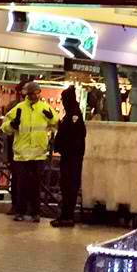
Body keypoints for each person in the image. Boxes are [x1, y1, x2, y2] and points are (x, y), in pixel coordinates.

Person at [1, 80, 56, 222]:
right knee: (22, 185)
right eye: (31, 94)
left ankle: (35, 212)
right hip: (22, 154)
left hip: (38, 153)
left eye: (35, 93)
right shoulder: (19, 108)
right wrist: (12, 125)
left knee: (35, 185)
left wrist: (52, 118)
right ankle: (21, 211)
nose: (33, 96)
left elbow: (56, 123)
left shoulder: (45, 108)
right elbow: (4, 126)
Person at [51, 85, 87, 228]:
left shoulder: (74, 115)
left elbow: (74, 135)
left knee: (69, 187)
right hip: (70, 157)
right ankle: (64, 215)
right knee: (66, 186)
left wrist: (64, 146)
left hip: (72, 158)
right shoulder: (71, 114)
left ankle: (67, 216)